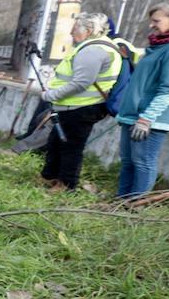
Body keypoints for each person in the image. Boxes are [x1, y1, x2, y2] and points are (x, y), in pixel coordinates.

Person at [40, 13, 122, 192]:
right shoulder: (94, 47)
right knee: (56, 142)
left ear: (89, 30)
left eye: (75, 28)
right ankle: (50, 177)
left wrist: (50, 95)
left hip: (81, 107)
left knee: (70, 147)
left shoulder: (93, 51)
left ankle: (66, 184)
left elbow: (80, 83)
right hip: (73, 106)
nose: (71, 32)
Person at [116, 4, 169, 198]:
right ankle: (120, 204)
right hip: (132, 116)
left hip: (149, 120)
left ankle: (137, 209)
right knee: (128, 162)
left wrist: (146, 119)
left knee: (143, 162)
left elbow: (167, 90)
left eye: (157, 21)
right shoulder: (155, 47)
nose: (151, 25)